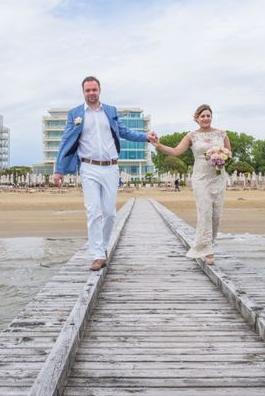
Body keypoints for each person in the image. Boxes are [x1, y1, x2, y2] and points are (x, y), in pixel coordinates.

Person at [52, 77, 158, 271]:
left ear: (100, 90)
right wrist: (58, 170)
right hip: (88, 167)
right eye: (87, 90)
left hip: (110, 167)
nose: (91, 93)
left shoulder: (110, 111)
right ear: (83, 92)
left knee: (109, 213)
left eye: (94, 90)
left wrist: (145, 137)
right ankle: (97, 254)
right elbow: (65, 141)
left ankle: (104, 247)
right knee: (93, 211)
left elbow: (124, 132)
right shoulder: (75, 114)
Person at [151, 104, 232, 265]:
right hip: (201, 179)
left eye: (208, 115)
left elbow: (229, 153)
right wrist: (159, 145)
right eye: (202, 116)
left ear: (212, 117)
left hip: (218, 177)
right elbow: (175, 151)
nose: (206, 118)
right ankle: (208, 251)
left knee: (216, 215)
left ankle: (209, 243)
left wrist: (221, 156)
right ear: (197, 118)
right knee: (205, 213)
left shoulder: (222, 134)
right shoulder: (192, 136)